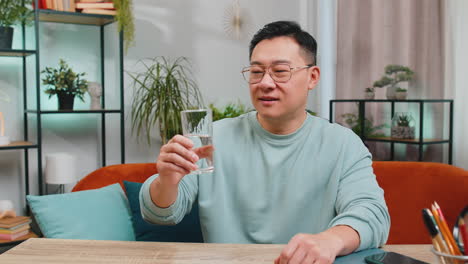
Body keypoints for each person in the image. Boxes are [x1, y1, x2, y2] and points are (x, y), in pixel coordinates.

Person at [140, 21, 390, 264]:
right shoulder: (213, 138)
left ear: (313, 77)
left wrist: (330, 240)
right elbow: (159, 214)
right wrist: (167, 181)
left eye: (280, 71)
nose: (265, 83)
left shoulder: (342, 144)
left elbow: (373, 214)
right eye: (257, 72)